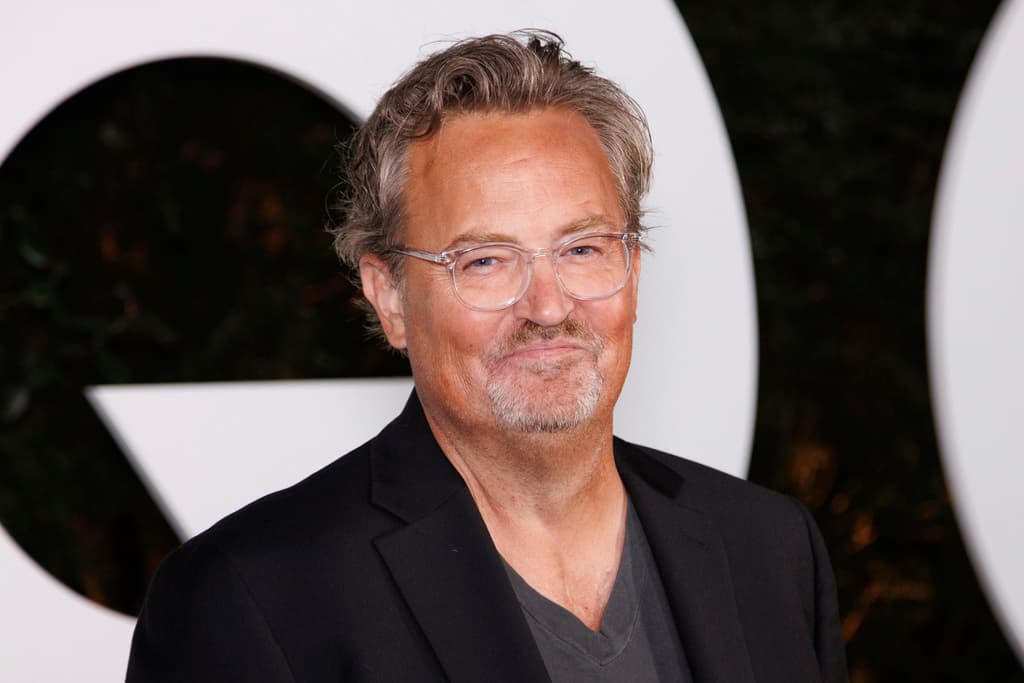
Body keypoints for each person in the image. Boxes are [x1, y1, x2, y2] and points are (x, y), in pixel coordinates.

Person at [126, 31, 848, 682]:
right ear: (390, 298)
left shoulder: (768, 549)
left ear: (633, 265)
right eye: (485, 261)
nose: (549, 306)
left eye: (583, 249)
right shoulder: (251, 600)